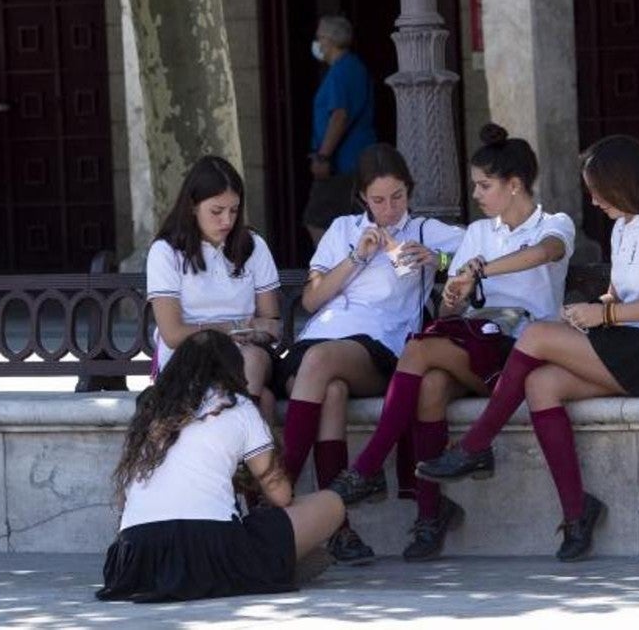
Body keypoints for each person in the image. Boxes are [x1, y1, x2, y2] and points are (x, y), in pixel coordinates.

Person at [416, 134, 639, 562]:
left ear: (623, 183)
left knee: (534, 336)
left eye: (598, 189)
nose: (595, 199)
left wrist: (602, 317)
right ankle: (577, 511)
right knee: (542, 385)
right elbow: (619, 297)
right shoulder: (624, 228)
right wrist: (588, 310)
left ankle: (474, 447)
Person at [326, 123, 576, 561]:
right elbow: (447, 314)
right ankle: (429, 513)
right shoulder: (479, 233)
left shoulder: (554, 224)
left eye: (484, 185)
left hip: (519, 349)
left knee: (419, 350)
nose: (476, 194)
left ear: (514, 185)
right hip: (475, 341)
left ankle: (368, 467)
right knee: (431, 383)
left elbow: (545, 254)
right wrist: (453, 295)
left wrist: (482, 271)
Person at [277, 143, 465, 565]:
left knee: (321, 365)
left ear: (409, 192)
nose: (389, 208)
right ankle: (340, 530)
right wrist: (355, 258)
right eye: (378, 199)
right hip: (321, 342)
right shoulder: (343, 230)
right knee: (332, 392)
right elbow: (311, 300)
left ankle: (280, 490)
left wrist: (440, 259)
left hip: (381, 349)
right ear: (363, 197)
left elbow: (480, 252)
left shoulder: (424, 230)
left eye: (397, 197)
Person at [97, 330, 344, 603]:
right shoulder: (237, 408)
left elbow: (124, 500)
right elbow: (280, 494)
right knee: (331, 504)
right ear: (233, 369)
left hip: (135, 557)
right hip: (209, 547)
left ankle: (269, 564)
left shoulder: (149, 409)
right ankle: (268, 566)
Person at [146, 155, 281, 426]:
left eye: (234, 210)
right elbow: (173, 335)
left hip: (247, 353)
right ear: (193, 207)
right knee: (263, 399)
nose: (227, 221)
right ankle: (245, 460)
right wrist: (229, 328)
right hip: (189, 357)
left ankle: (236, 458)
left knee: (252, 360)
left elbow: (273, 325)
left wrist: (256, 330)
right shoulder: (166, 252)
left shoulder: (253, 245)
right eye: (217, 211)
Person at [303, 15, 377, 244]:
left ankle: (332, 272)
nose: (317, 43)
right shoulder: (353, 67)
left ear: (330, 40)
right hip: (356, 159)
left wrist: (323, 156)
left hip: (342, 162)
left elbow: (339, 116)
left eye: (319, 37)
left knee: (316, 220)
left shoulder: (341, 72)